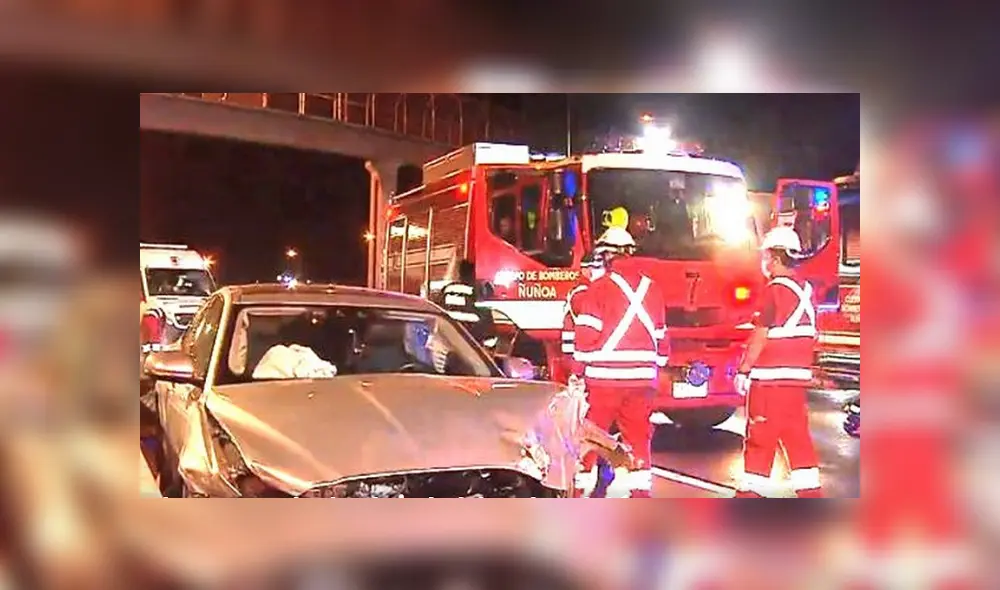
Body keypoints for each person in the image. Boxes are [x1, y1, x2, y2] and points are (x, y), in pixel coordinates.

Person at [572, 227, 669, 498]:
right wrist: (655, 365)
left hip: (604, 381)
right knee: (638, 439)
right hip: (642, 380)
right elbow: (661, 338)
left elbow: (585, 338)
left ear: (606, 255)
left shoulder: (598, 289)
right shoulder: (652, 288)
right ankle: (640, 496)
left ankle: (576, 493)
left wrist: (577, 371)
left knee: (591, 437)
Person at [733, 226, 823, 498]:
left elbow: (760, 335)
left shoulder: (773, 291)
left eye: (766, 256)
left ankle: (750, 496)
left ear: (774, 257)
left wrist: (744, 370)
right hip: (796, 381)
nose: (765, 261)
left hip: (769, 382)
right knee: (797, 440)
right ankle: (811, 494)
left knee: (760, 439)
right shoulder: (807, 291)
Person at [440, 260, 497, 351]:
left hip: (449, 342)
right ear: (472, 274)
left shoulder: (447, 290)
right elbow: (486, 321)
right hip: (470, 346)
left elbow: (439, 312)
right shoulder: (476, 291)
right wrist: (489, 347)